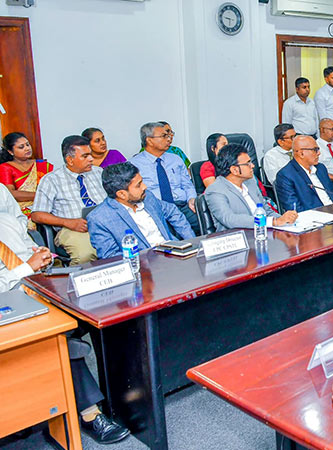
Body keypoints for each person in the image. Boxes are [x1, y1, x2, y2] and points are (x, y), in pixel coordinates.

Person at [0, 202, 130, 444]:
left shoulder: (4, 210)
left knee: (99, 306)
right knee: (61, 339)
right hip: (8, 300)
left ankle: (128, 395)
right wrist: (26, 267)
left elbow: (23, 240)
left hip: (35, 284)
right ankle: (90, 414)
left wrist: (38, 253)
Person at [88, 162, 195, 259]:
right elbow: (110, 257)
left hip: (173, 255)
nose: (144, 187)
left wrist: (190, 241)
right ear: (121, 194)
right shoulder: (99, 219)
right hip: (143, 266)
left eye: (142, 181)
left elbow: (172, 211)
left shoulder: (147, 196)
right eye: (138, 185)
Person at [31, 136, 103, 265]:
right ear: (70, 160)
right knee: (85, 254)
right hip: (73, 228)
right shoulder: (51, 180)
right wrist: (68, 222)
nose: (91, 159)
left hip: (103, 224)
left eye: (90, 155)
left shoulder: (98, 173)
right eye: (85, 156)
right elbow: (37, 215)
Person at [205, 144, 297, 231]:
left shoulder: (251, 181)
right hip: (238, 239)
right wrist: (273, 222)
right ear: (235, 170)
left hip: (264, 233)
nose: (252, 166)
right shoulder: (215, 190)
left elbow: (267, 210)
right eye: (247, 163)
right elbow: (229, 219)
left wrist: (284, 220)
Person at [130, 122, 200, 234]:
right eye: (163, 136)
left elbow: (187, 184)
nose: (168, 139)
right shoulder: (134, 164)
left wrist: (192, 199)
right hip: (156, 208)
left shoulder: (175, 159)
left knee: (203, 226)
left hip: (182, 205)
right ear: (149, 140)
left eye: (168, 135)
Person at [0, 132, 54, 228]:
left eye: (27, 144)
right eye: (21, 147)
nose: (27, 148)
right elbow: (11, 194)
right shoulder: (6, 168)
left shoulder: (42, 165)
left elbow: (53, 186)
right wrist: (40, 196)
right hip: (22, 210)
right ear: (10, 151)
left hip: (46, 205)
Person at [275, 135, 333, 212]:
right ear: (301, 153)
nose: (319, 153)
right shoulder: (285, 175)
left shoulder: (321, 168)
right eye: (315, 150)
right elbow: (295, 209)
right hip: (316, 219)